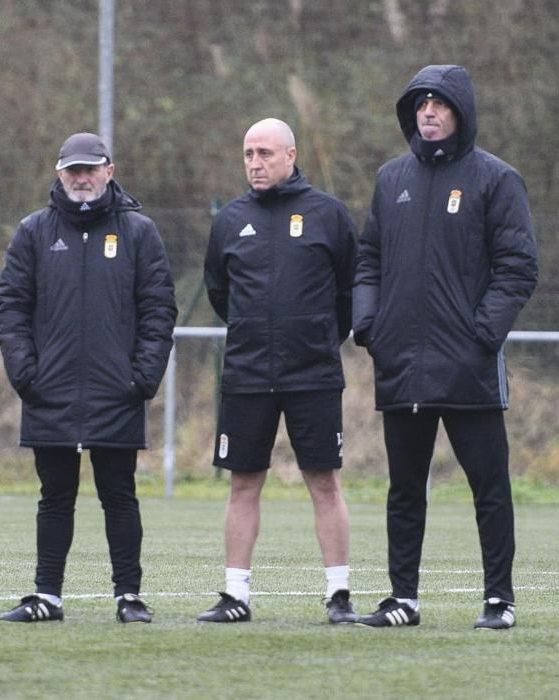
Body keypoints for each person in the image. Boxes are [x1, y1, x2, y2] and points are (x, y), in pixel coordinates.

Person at [352, 65, 539, 630]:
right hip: (401, 366)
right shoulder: (391, 180)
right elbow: (369, 261)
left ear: (461, 112)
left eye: (439, 103)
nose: (427, 111)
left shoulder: (496, 180)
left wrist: (481, 335)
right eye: (420, 103)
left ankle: (499, 601)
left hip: (468, 369)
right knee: (405, 490)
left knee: (489, 487)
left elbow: (518, 267)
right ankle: (403, 599)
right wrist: (369, 327)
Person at [0, 132, 177, 624]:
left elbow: (159, 311)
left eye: (90, 169)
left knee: (119, 494)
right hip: (48, 391)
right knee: (54, 496)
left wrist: (142, 378)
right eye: (72, 170)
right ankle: (47, 596)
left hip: (117, 392)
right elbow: (11, 307)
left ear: (109, 171)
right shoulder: (33, 231)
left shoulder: (139, 232)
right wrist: (25, 373)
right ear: (59, 174)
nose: (81, 178)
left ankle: (129, 596)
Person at [198, 118, 359, 624]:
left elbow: (350, 292)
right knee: (242, 484)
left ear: (292, 155)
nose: (255, 163)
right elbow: (220, 292)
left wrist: (313, 337)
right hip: (247, 374)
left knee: (324, 481)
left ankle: (338, 594)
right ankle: (235, 595)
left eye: (265, 153)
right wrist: (254, 334)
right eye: (248, 153)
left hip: (312, 373)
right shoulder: (229, 220)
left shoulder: (328, 215)